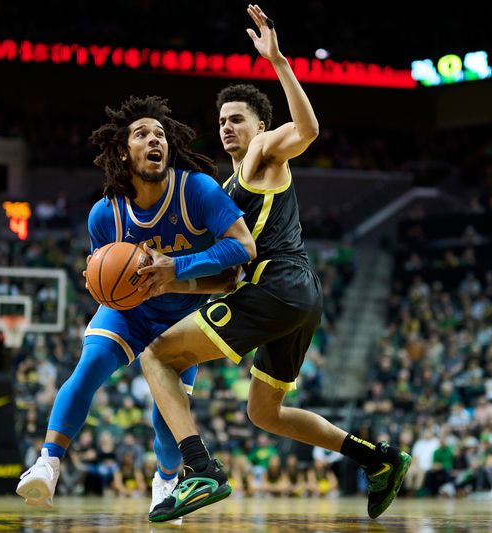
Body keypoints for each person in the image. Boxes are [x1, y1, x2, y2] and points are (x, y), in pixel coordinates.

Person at [141, 5, 410, 522]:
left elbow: (307, 129)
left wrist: (279, 63)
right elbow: (224, 275)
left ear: (260, 125)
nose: (226, 127)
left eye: (236, 119)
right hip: (294, 295)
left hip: (280, 286)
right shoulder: (224, 188)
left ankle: (199, 469)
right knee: (264, 412)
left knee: (157, 356)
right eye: (221, 121)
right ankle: (378, 459)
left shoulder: (266, 150)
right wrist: (165, 279)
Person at [15, 95, 256, 515]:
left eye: (160, 134)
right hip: (130, 310)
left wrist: (175, 267)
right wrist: (100, 283)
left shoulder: (196, 190)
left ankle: (165, 480)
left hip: (183, 313)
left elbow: (244, 246)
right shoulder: (104, 215)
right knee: (88, 367)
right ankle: (47, 463)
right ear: (123, 151)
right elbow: (106, 282)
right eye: (141, 133)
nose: (154, 139)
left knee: (167, 425)